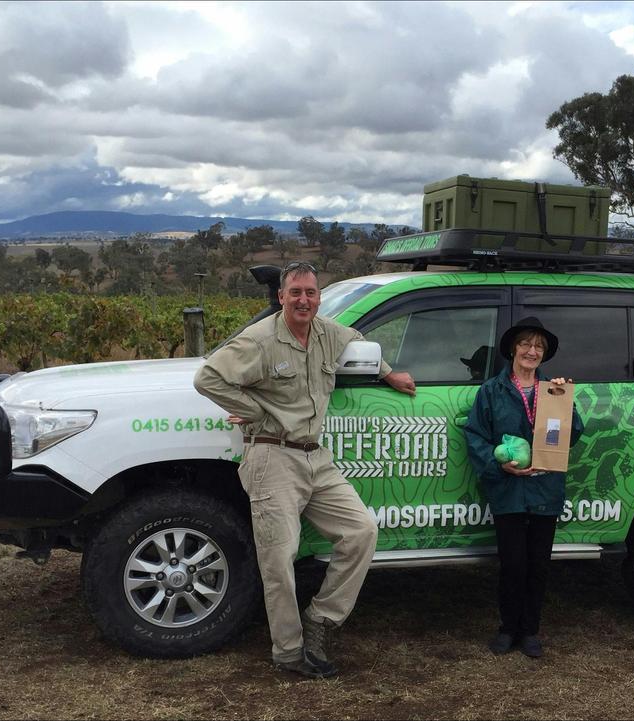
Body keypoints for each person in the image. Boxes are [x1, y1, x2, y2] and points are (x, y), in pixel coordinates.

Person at [193, 261, 416, 679]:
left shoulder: (329, 333)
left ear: (319, 297)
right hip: (273, 456)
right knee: (279, 559)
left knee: (361, 532)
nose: (303, 300)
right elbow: (208, 378)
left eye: (311, 293)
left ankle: (321, 619)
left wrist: (389, 374)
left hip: (316, 458)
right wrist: (254, 411)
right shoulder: (260, 340)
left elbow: (360, 341)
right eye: (295, 292)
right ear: (281, 296)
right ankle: (289, 651)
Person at [464, 317, 583, 659]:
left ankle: (530, 631)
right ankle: (508, 628)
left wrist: (565, 400)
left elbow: (572, 433)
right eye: (526, 344)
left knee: (538, 565)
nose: (532, 351)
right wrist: (497, 464)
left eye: (539, 346)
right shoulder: (492, 390)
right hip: (509, 490)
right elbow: (475, 436)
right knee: (512, 564)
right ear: (513, 348)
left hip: (545, 488)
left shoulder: (553, 390)